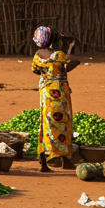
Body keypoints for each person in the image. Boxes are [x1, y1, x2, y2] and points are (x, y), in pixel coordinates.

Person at [31, 26, 78, 172]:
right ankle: (63, 158)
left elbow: (35, 69)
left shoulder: (37, 55)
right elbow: (72, 63)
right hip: (60, 94)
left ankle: (43, 160)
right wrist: (68, 46)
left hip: (46, 94)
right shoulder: (58, 55)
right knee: (62, 123)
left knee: (46, 123)